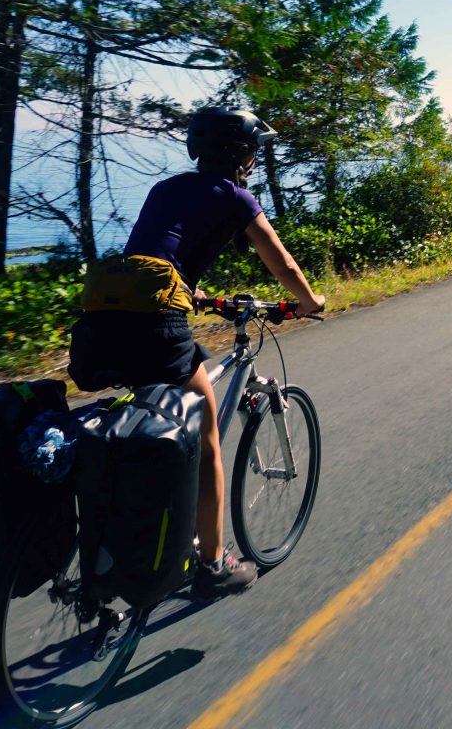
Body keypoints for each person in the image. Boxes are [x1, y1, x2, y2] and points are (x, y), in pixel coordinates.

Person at [68, 107, 325, 597]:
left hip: (104, 322)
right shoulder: (235, 197)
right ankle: (211, 565)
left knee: (147, 428)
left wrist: (196, 294)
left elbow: (153, 259)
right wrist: (310, 301)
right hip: (157, 325)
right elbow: (283, 263)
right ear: (246, 156)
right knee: (207, 441)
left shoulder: (164, 189)